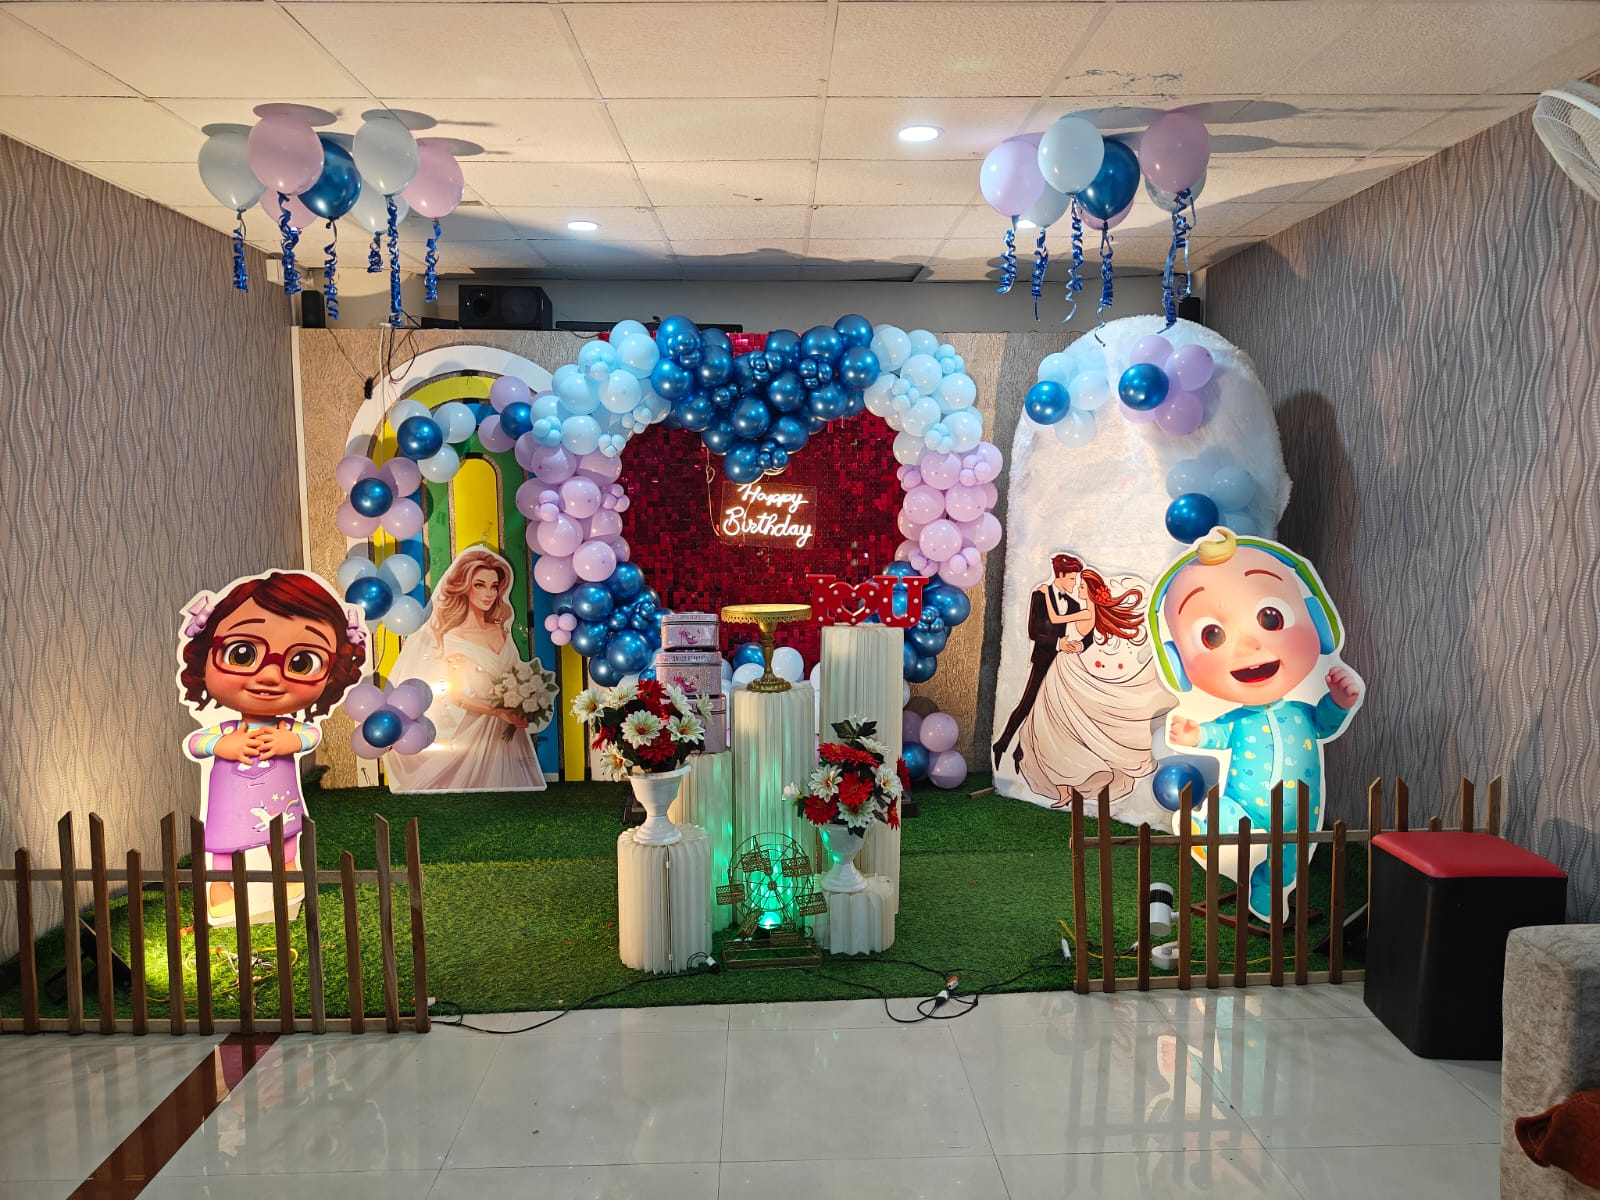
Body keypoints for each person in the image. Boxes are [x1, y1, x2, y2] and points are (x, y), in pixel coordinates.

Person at [1155, 528, 1363, 920]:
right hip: (1244, 804)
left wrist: (1339, 700)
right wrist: (1196, 735)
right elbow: (1220, 733)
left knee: (1288, 863)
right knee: (1229, 817)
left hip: (1298, 814)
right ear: (1177, 663)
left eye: (1271, 617)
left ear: (1318, 624)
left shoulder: (1301, 712)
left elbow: (1324, 723)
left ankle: (1266, 893)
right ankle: (1209, 827)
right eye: (1212, 635)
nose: (1248, 647)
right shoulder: (1240, 718)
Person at [178, 571, 366, 925]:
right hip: (231, 801)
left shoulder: (287, 727)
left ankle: (288, 870)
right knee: (226, 842)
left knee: (284, 834)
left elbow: (310, 736)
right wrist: (223, 744)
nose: (269, 676)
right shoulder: (227, 728)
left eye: (301, 662)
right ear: (207, 654)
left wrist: (289, 740)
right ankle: (221, 889)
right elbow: (195, 742)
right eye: (242, 653)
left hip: (278, 798)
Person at [1011, 556, 1174, 810]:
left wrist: (1045, 594)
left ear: (1089, 591)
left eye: (1080, 584)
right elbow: (1059, 628)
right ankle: (1063, 788)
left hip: (1066, 667)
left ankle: (1068, 782)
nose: (1076, 586)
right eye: (1074, 581)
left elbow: (1056, 618)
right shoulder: (1082, 608)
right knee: (1049, 723)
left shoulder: (1085, 610)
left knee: (1053, 724)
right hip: (1064, 664)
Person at [385, 547, 549, 793]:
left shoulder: (500, 630)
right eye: (480, 585)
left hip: (510, 731)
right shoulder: (456, 637)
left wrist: (526, 701)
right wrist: (500, 711)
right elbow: (458, 697)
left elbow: (516, 675)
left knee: (511, 787)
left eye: (494, 586)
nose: (489, 594)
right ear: (465, 588)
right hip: (478, 729)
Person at [993, 554, 1095, 771]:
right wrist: (1059, 643)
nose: (1074, 583)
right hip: (1043, 658)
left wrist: (1080, 645)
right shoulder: (1039, 596)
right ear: (1061, 575)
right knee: (1027, 703)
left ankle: (1021, 751)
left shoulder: (1073, 603)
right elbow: (1034, 631)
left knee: (1043, 710)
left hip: (1062, 664)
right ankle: (1002, 744)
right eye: (1071, 579)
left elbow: (1088, 632)